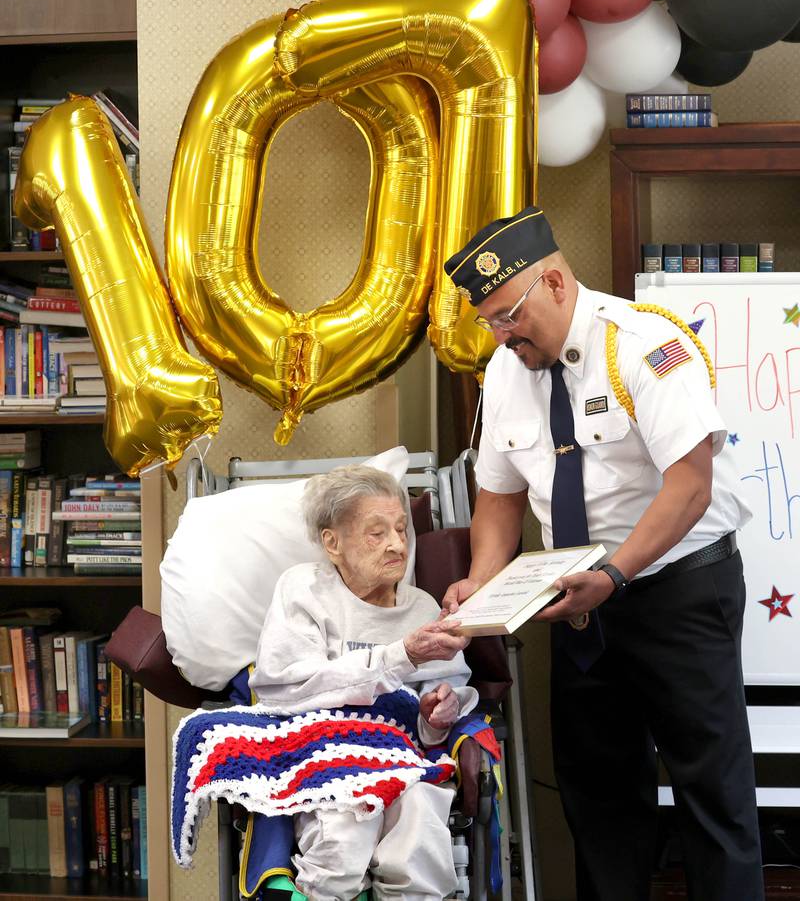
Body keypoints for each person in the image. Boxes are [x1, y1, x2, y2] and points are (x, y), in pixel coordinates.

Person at [441, 204, 764, 901]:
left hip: (678, 592)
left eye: (510, 313)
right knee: (599, 801)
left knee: (711, 792)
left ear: (555, 282)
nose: (502, 334)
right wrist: (480, 582)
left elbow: (691, 485)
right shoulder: (503, 373)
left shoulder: (646, 344)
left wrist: (615, 574)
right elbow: (497, 494)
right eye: (490, 320)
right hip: (578, 604)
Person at [249, 464, 475, 901]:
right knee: (343, 836)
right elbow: (287, 689)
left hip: (405, 758)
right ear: (332, 542)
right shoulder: (303, 591)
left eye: (401, 529)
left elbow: (443, 702)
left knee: (422, 832)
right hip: (326, 757)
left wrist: (438, 713)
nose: (396, 544)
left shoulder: (423, 607)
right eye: (376, 533)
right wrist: (400, 655)